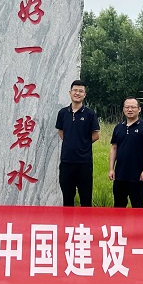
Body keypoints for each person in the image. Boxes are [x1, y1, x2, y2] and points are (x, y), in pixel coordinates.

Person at [55, 79, 101, 207]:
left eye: (81, 91)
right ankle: (68, 220)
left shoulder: (90, 114)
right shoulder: (63, 113)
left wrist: (82, 144)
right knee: (67, 197)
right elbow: (61, 132)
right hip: (66, 161)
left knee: (85, 198)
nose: (77, 93)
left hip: (84, 162)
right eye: (75, 90)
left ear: (84, 95)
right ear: (70, 93)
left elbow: (96, 135)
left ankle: (85, 220)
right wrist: (71, 141)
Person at [108, 97, 143, 208]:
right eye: (127, 107)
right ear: (123, 109)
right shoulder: (118, 127)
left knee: (137, 206)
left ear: (139, 109)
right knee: (118, 206)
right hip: (120, 174)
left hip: (137, 175)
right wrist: (111, 169)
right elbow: (114, 148)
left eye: (133, 107)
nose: (130, 109)